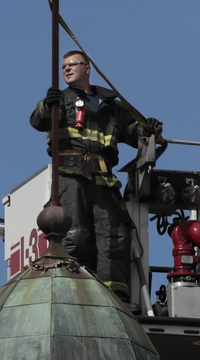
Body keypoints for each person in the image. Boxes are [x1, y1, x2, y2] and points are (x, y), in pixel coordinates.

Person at [30, 50, 162, 302]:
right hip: (70, 177)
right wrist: (47, 105)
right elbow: (38, 121)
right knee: (74, 233)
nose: (66, 69)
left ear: (87, 68)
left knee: (113, 236)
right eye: (63, 66)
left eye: (72, 65)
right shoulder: (59, 100)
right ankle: (74, 292)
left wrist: (149, 129)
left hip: (103, 179)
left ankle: (114, 297)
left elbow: (138, 137)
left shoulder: (111, 106)